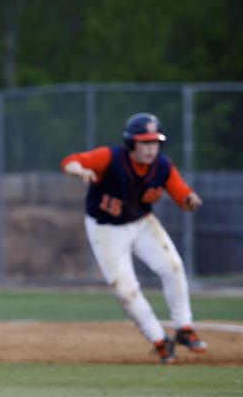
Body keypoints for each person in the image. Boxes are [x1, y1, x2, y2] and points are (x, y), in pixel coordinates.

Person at [60, 112, 208, 365]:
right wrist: (79, 171)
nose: (151, 148)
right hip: (106, 229)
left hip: (141, 223)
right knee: (125, 290)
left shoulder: (161, 165)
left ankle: (184, 328)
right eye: (145, 142)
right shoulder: (111, 158)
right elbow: (70, 162)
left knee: (173, 267)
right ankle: (160, 341)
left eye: (154, 142)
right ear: (131, 143)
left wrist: (189, 199)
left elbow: (181, 192)